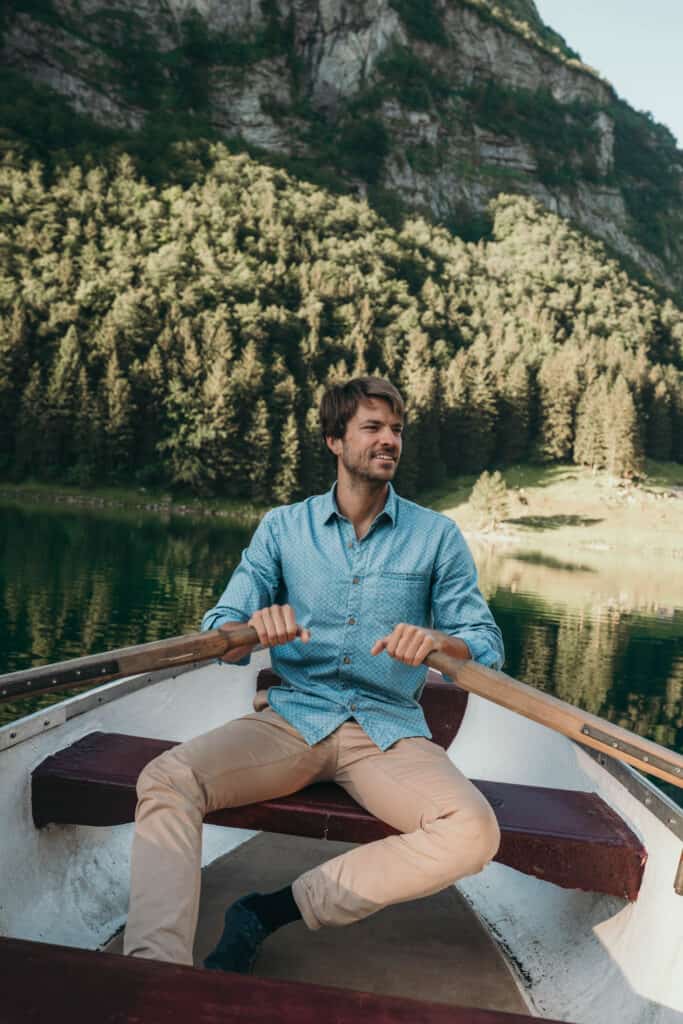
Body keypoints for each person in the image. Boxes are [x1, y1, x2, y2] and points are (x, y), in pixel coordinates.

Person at [123, 376, 504, 972]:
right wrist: (253, 626)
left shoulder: (437, 537)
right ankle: (151, 972)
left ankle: (274, 910)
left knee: (474, 833)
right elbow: (219, 633)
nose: (389, 441)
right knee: (166, 780)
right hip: (292, 722)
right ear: (334, 439)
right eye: (372, 428)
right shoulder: (282, 529)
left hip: (387, 732)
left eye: (396, 430)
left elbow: (485, 646)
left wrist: (439, 640)